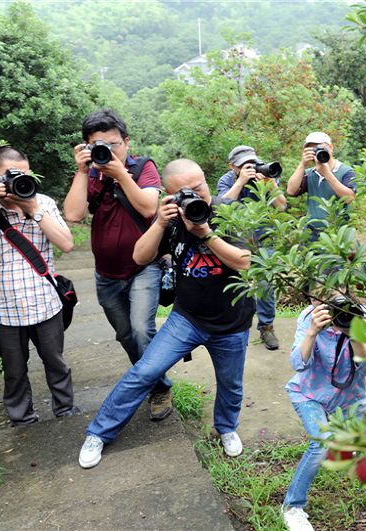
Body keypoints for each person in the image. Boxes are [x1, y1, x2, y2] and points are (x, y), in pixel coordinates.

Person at [78, 159, 255, 469]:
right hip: (187, 319)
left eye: (200, 186)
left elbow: (243, 261)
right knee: (144, 372)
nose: (196, 194)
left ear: (207, 181)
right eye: (186, 191)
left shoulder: (229, 211)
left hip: (231, 321)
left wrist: (205, 233)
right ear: (171, 195)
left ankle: (226, 428)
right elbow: (139, 255)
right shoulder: (170, 219)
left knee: (231, 384)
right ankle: (98, 433)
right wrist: (159, 222)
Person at [63, 108, 172, 421]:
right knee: (125, 334)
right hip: (106, 273)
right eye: (100, 146)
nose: (108, 152)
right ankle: (151, 380)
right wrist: (83, 171)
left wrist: (120, 173)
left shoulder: (143, 167)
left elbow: (149, 206)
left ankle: (159, 388)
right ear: (86, 147)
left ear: (127, 142)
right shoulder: (90, 174)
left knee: (141, 330)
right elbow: (72, 215)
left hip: (144, 267)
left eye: (114, 145)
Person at [0, 146, 78, 426]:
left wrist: (32, 209)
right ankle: (22, 420)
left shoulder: (41, 201)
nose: (15, 181)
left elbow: (67, 244)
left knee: (56, 362)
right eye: (8, 175)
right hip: (2, 309)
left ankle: (66, 411)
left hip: (44, 302)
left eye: (23, 174)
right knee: (14, 370)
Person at [281, 295, 366, 531]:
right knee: (321, 443)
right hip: (309, 393)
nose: (334, 304)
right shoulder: (309, 316)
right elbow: (298, 363)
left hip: (349, 399)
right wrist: (312, 331)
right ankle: (292, 507)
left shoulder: (364, 317)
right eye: (323, 295)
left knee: (362, 443)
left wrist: (354, 333)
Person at [217, 145, 287, 350]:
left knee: (266, 283)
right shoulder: (227, 180)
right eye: (244, 165)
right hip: (236, 239)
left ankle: (266, 327)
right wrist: (240, 182)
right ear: (232, 166)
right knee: (237, 284)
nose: (251, 167)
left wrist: (270, 185)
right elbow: (221, 206)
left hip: (264, 237)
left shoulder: (265, 173)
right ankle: (236, 326)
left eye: (252, 162)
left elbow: (282, 206)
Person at [286, 132, 356, 239]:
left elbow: (349, 198)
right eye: (311, 149)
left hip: (337, 231)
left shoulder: (346, 171)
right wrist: (302, 164)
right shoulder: (309, 173)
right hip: (312, 232)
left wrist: (327, 174)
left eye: (319, 147)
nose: (317, 151)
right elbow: (291, 191)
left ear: (331, 147)